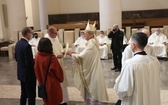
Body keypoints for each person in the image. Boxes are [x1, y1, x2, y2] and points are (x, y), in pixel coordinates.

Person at [67, 21, 108, 105]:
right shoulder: (92, 42)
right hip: (93, 67)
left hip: (93, 70)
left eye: (85, 33)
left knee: (92, 86)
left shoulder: (91, 44)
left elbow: (83, 56)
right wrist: (76, 54)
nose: (84, 35)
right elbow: (85, 56)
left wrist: (71, 54)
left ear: (90, 34)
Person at [114, 32, 160, 105]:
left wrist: (117, 86)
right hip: (151, 98)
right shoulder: (155, 61)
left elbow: (124, 89)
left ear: (133, 45)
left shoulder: (130, 64)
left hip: (135, 100)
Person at [34, 38, 64, 105]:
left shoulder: (37, 56)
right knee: (54, 102)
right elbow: (59, 74)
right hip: (52, 85)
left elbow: (36, 70)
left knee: (46, 102)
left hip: (42, 83)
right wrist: (61, 79)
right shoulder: (52, 58)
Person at [45, 26, 69, 105]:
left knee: (62, 81)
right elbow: (46, 54)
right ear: (50, 33)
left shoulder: (56, 37)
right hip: (52, 63)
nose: (57, 35)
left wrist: (62, 51)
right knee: (56, 83)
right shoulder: (46, 40)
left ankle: (64, 99)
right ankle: (58, 100)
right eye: (55, 33)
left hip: (60, 62)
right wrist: (56, 56)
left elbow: (59, 46)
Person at [15, 27, 36, 105]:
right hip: (28, 75)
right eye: (31, 33)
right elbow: (29, 63)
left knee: (23, 93)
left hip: (21, 73)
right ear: (27, 34)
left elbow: (16, 58)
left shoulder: (18, 43)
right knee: (31, 95)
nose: (32, 35)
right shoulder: (27, 46)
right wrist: (34, 61)